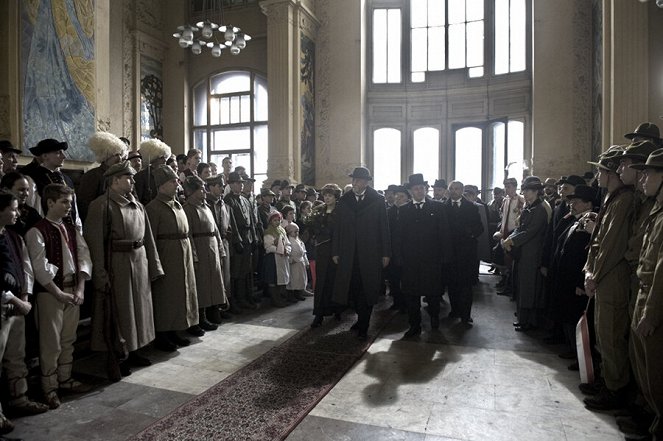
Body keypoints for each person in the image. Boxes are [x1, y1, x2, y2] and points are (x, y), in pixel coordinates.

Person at [84, 161, 164, 379]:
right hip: (117, 264)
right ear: (115, 180)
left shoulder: (137, 204)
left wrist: (154, 264)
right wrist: (100, 274)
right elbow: (95, 243)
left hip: (139, 262)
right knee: (122, 311)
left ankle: (136, 349)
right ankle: (120, 354)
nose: (133, 180)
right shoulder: (101, 205)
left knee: (140, 310)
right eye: (128, 177)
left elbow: (148, 238)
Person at [25, 184, 92, 409]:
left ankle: (65, 378)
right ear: (50, 202)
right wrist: (58, 292)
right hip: (51, 293)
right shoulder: (37, 231)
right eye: (64, 202)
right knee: (50, 343)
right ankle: (49, 387)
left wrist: (80, 288)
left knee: (68, 339)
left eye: (70, 203)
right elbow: (39, 268)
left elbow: (83, 257)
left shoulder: (71, 229)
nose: (68, 207)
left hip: (73, 291)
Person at [582, 146, 635, 410]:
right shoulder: (612, 197)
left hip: (612, 277)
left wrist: (594, 274)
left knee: (611, 336)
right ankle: (607, 381)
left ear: (610, 172)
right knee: (603, 334)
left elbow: (611, 244)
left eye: (601, 170)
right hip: (604, 275)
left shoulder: (624, 199)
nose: (597, 176)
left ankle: (615, 390)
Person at [0, 191, 49, 434]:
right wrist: (10, 299)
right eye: (13, 209)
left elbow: (24, 269)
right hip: (2, 306)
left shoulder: (13, 236)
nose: (18, 213)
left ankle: (19, 399)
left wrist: (24, 296)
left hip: (17, 305)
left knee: (16, 356)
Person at [628, 148, 663, 440]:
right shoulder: (655, 210)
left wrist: (651, 313)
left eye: (649, 174)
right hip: (645, 290)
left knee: (656, 375)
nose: (643, 179)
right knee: (646, 371)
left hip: (654, 299)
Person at [145, 166, 199, 351]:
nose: (177, 184)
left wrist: (191, 253)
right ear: (161, 186)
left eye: (177, 180)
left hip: (182, 253)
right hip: (166, 254)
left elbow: (187, 233)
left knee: (181, 293)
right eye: (173, 181)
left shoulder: (177, 205)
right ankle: (163, 334)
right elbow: (150, 238)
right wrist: (156, 264)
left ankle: (177, 329)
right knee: (166, 296)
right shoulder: (153, 208)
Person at [332, 167, 390, 340]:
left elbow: (384, 228)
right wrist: (335, 251)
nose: (355, 183)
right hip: (349, 253)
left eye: (359, 180)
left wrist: (386, 253)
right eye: (354, 180)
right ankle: (360, 318)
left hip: (371, 252)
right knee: (353, 287)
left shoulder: (378, 200)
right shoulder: (344, 200)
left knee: (368, 287)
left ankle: (364, 324)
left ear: (366, 182)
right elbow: (338, 228)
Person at [398, 174, 450, 338]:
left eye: (421, 188)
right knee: (411, 295)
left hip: (432, 260)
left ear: (426, 189)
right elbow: (399, 236)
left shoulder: (438, 208)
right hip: (410, 261)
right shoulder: (404, 210)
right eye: (415, 188)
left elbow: (444, 234)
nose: (419, 191)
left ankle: (434, 319)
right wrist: (399, 257)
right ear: (410, 191)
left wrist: (445, 256)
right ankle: (414, 326)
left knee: (433, 293)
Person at [550, 185, 596, 366]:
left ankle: (581, 356)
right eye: (571, 202)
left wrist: (580, 282)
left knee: (575, 316)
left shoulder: (591, 222)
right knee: (568, 315)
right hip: (566, 277)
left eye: (576, 202)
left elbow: (586, 255)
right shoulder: (575, 220)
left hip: (576, 279)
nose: (572, 205)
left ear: (588, 204)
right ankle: (571, 348)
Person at [502, 176, 551, 331]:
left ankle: (530, 321)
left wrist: (512, 241)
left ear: (536, 191)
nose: (525, 193)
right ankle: (523, 318)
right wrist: (510, 237)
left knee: (530, 287)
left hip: (533, 252)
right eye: (524, 190)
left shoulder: (541, 209)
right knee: (522, 285)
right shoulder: (529, 207)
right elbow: (519, 226)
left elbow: (531, 231)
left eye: (528, 190)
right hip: (523, 252)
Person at [182, 176, 228, 329]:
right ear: (192, 191)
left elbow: (215, 230)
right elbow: (189, 235)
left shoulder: (206, 207)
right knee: (201, 284)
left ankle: (213, 310)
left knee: (214, 282)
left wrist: (220, 249)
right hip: (200, 247)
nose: (204, 191)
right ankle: (200, 317)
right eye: (201, 189)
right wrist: (193, 255)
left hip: (212, 246)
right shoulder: (188, 208)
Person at [444, 181, 483, 325]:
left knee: (466, 286)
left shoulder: (471, 207)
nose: (454, 191)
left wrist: (469, 234)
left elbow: (480, 228)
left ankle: (466, 316)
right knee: (452, 285)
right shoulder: (443, 207)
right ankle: (455, 310)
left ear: (462, 191)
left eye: (457, 189)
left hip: (466, 253)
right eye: (451, 189)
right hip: (450, 253)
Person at [22, 138, 81, 228]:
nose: (63, 156)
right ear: (45, 156)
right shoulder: (33, 177)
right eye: (58, 153)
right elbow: (34, 207)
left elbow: (74, 208)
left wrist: (78, 230)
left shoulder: (67, 179)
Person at [224, 172, 261, 310]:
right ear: (231, 184)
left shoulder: (245, 200)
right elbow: (231, 223)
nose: (241, 185)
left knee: (247, 271)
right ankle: (236, 300)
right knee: (237, 272)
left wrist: (254, 237)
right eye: (238, 183)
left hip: (248, 238)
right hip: (237, 240)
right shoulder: (228, 200)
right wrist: (236, 240)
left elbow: (251, 220)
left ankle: (247, 296)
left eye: (241, 183)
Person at [308, 183, 342, 327]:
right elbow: (313, 228)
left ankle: (337, 309)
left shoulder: (341, 211)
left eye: (330, 196)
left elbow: (342, 231)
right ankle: (319, 314)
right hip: (322, 250)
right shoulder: (319, 210)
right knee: (321, 281)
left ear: (336, 197)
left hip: (336, 251)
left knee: (335, 280)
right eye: (325, 196)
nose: (327, 198)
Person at [77, 132, 128, 221]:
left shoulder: (123, 175)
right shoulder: (92, 176)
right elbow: (85, 205)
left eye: (120, 154)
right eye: (116, 155)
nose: (120, 159)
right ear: (106, 156)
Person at [263, 211, 291, 307]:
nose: (277, 222)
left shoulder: (282, 230)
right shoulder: (268, 232)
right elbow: (268, 246)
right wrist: (279, 249)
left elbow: (287, 243)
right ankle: (275, 300)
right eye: (275, 220)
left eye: (278, 220)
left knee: (281, 279)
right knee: (273, 279)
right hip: (273, 259)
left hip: (282, 258)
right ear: (270, 221)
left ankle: (281, 298)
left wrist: (287, 249)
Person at [1, 172, 42, 237]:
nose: (26, 194)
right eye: (21, 190)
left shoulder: (32, 213)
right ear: (5, 190)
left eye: (27, 190)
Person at [134, 138, 172, 205]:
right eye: (161, 157)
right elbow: (138, 200)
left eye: (165, 157)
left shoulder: (167, 175)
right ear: (153, 158)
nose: (165, 160)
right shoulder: (141, 176)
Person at [285, 223, 308, 301]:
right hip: (293, 263)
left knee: (300, 279)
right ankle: (291, 295)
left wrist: (306, 261)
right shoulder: (288, 241)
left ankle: (299, 293)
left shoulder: (299, 240)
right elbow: (287, 253)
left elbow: (304, 251)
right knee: (293, 280)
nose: (296, 233)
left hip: (300, 262)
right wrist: (290, 260)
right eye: (294, 232)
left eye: (297, 231)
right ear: (289, 232)